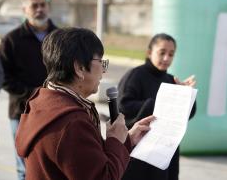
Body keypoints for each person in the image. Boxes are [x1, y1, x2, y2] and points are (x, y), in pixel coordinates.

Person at [15, 27, 155, 180]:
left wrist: (126, 140)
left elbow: (87, 162)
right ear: (79, 68)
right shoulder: (71, 123)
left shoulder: (43, 99)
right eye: (100, 62)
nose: (103, 70)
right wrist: (114, 140)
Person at [117, 33, 196, 180]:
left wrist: (186, 95)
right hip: (139, 150)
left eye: (171, 54)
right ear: (149, 52)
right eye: (162, 53)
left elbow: (186, 115)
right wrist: (159, 104)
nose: (166, 58)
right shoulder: (135, 76)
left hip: (165, 150)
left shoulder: (171, 80)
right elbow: (123, 106)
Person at [0, 0, 57, 180]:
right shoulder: (12, 40)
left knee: (53, 167)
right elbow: (3, 77)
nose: (40, 9)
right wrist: (33, 94)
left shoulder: (60, 37)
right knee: (24, 168)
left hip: (56, 111)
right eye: (35, 5)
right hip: (22, 112)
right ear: (25, 9)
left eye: (43, 4)